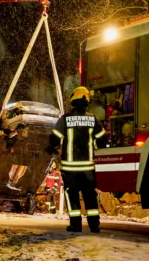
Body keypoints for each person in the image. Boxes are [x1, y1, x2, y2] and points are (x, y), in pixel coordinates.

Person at [46, 86, 106, 233]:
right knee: (90, 196)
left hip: (70, 169)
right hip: (88, 169)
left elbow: (54, 139)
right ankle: (94, 225)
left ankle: (76, 225)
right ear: (86, 101)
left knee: (72, 195)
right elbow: (103, 140)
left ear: (73, 100)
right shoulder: (93, 119)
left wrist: (50, 148)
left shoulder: (65, 120)